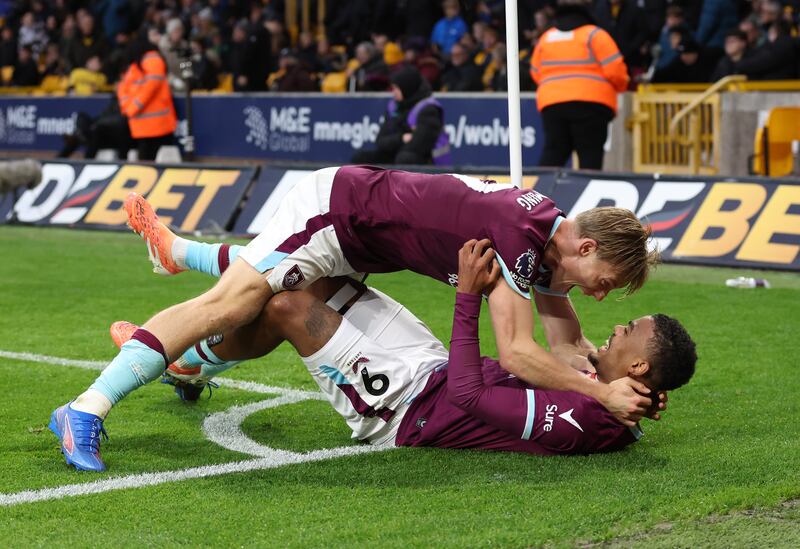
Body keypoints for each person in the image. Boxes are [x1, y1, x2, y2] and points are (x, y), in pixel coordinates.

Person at [50, 166, 659, 471]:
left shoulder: (545, 233)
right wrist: (600, 392)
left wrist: (616, 379)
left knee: (282, 299)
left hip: (359, 242)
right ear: (588, 249)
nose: (601, 298)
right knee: (233, 304)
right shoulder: (516, 239)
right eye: (605, 283)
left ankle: (182, 295)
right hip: (337, 213)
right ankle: (85, 409)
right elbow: (520, 354)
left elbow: (567, 338)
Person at [531, 0, 629, 170]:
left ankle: (538, 194)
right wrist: (619, 87)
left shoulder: (547, 38)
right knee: (590, 155)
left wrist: (556, 89)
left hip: (553, 104)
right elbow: (616, 71)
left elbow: (535, 71)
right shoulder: (594, 35)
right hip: (592, 104)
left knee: (553, 154)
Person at [351, 66, 448, 165]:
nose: (393, 92)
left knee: (405, 158)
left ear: (407, 88)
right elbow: (380, 141)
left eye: (396, 88)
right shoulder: (394, 106)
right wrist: (401, 138)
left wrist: (395, 143)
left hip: (426, 162)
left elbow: (420, 145)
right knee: (361, 158)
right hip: (396, 154)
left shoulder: (428, 109)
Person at [117, 36, 178, 161]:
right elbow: (123, 88)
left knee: (153, 164)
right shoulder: (134, 67)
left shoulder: (152, 59)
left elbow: (151, 85)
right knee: (144, 163)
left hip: (158, 127)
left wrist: (133, 107)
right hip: (142, 128)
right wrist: (128, 109)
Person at [652, 36, 716, 83]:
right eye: (682, 54)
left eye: (687, 54)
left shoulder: (708, 60)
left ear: (695, 53)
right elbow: (664, 74)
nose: (684, 57)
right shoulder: (678, 61)